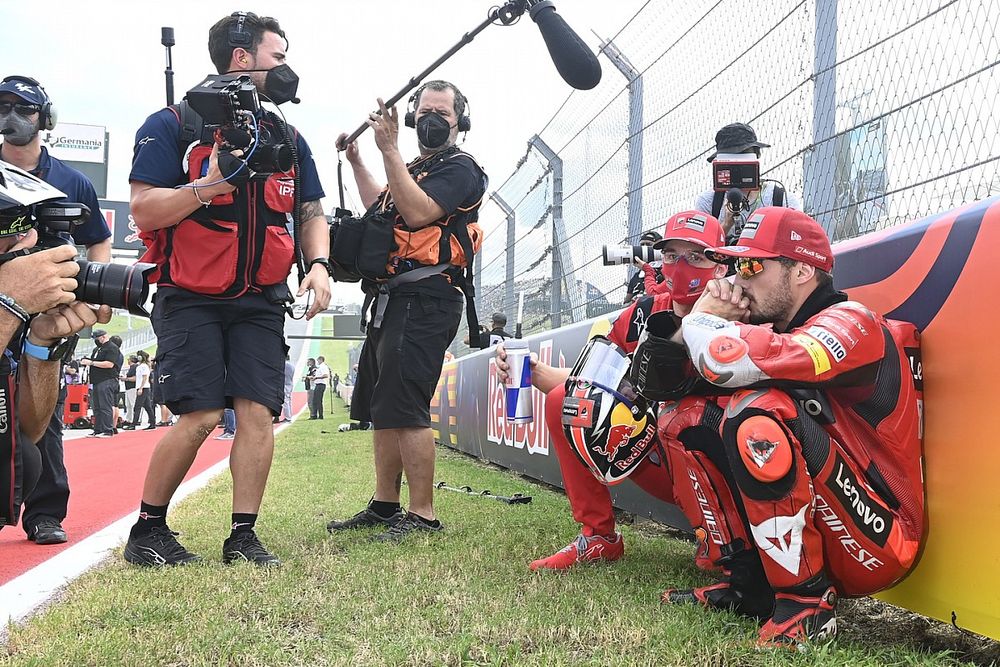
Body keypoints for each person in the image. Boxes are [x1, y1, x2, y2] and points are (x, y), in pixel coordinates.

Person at [655, 207, 924, 648]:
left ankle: (807, 606)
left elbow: (729, 359)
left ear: (802, 270)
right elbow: (656, 383)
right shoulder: (768, 324)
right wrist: (697, 325)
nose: (738, 280)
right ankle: (749, 586)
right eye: (736, 264)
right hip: (834, 517)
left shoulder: (852, 321)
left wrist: (702, 318)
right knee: (681, 419)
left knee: (754, 411)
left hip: (883, 537)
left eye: (752, 265)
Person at [122, 12, 331, 567]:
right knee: (201, 416)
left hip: (261, 297)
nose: (286, 69)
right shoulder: (171, 124)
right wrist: (208, 186)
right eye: (278, 57)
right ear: (243, 57)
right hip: (189, 293)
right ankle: (147, 530)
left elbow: (310, 208)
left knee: (258, 412)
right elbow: (144, 207)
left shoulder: (286, 133)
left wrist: (320, 263)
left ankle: (243, 536)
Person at [494, 211, 728, 570]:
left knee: (686, 416)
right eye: (671, 256)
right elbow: (590, 382)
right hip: (661, 462)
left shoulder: (739, 312)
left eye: (695, 257)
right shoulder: (642, 313)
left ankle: (730, 542)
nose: (680, 267)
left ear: (721, 265)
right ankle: (599, 536)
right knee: (566, 401)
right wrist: (531, 372)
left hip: (721, 467)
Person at [328, 80, 488, 540]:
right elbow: (382, 205)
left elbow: (418, 213)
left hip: (427, 297)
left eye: (444, 112)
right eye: (426, 110)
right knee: (384, 405)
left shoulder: (461, 168)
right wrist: (361, 159)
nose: (433, 119)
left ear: (461, 122)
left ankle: (422, 513)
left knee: (406, 405)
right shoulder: (417, 165)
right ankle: (385, 504)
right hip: (390, 297)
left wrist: (389, 149)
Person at [1, 74, 113, 545]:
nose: (11, 119)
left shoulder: (73, 180)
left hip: (50, 309)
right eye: (3, 108)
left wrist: (98, 291)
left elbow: (100, 239)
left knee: (42, 415)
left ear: (44, 120)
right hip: (4, 293)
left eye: (23, 111)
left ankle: (45, 512)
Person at [694, 123, 802, 245]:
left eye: (742, 155)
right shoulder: (709, 201)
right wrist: (726, 224)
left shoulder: (780, 198)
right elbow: (700, 250)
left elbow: (797, 242)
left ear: (756, 155)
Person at [79, 330, 122, 438]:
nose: (96, 341)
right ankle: (97, 429)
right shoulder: (97, 349)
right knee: (96, 407)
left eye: (97, 339)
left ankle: (107, 429)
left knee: (105, 406)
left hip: (107, 379)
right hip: (96, 380)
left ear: (103, 337)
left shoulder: (112, 348)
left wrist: (92, 363)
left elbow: (109, 364)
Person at [623, 229, 663, 304]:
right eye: (642, 245)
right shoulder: (637, 276)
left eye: (648, 244)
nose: (644, 248)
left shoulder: (666, 271)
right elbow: (626, 302)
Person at [129, 350, 156, 430]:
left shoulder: (143, 366)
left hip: (143, 388)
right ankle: (152, 423)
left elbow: (145, 377)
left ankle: (133, 424)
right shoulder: (141, 366)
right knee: (147, 406)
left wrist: (140, 388)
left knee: (137, 406)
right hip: (143, 387)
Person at [121, 355, 138, 430]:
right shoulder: (131, 368)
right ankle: (129, 419)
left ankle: (134, 419)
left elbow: (135, 378)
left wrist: (126, 379)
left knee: (132, 403)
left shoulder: (135, 367)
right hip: (128, 388)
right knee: (128, 405)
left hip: (133, 387)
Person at [310, 355, 330, 419]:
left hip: (321, 384)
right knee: (315, 400)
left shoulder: (323, 367)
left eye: (318, 360)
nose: (317, 361)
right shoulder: (320, 367)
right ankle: (315, 415)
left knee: (318, 400)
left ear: (321, 360)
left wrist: (316, 377)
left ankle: (320, 415)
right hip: (318, 384)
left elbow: (325, 375)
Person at [277, 354, 294, 423]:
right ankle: (289, 416)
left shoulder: (285, 365)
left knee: (285, 401)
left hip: (285, 384)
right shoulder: (292, 365)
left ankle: (288, 417)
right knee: (288, 400)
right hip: (289, 383)